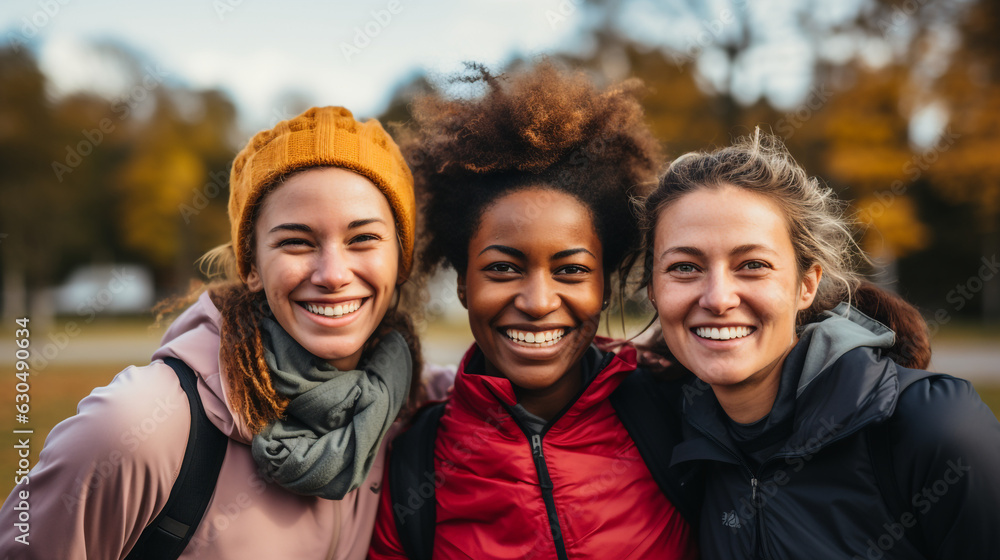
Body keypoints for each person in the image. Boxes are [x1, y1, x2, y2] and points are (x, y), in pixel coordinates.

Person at [0, 106, 427, 560]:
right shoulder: (135, 427)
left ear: (401, 260)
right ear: (252, 268)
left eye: (362, 238)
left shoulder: (415, 406)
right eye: (296, 241)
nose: (333, 274)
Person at [369, 61, 698, 559]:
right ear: (462, 284)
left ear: (605, 288)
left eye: (570, 271)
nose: (539, 302)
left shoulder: (679, 415)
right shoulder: (411, 465)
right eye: (503, 269)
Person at [637, 129, 1000, 558]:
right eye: (684, 267)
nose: (717, 298)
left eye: (752, 265)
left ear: (806, 286)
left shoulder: (934, 427)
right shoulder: (667, 429)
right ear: (654, 291)